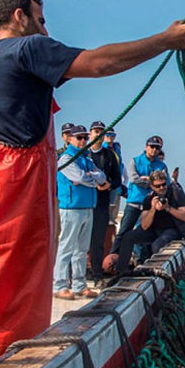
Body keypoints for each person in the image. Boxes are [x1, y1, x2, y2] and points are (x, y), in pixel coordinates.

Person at [0, 0, 185, 368]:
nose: (45, 29)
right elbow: (98, 64)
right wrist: (165, 41)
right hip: (12, 192)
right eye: (41, 19)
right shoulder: (27, 48)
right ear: (20, 17)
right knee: (11, 308)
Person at [54, 125, 108, 300]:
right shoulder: (66, 159)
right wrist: (91, 179)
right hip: (71, 208)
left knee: (82, 249)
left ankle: (79, 284)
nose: (83, 141)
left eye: (85, 138)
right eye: (79, 137)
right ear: (70, 139)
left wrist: (89, 178)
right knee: (66, 247)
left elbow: (102, 177)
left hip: (87, 207)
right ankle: (60, 285)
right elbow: (80, 178)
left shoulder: (87, 159)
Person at [115, 170, 185, 274]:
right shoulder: (149, 199)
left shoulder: (177, 193)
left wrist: (168, 208)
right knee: (128, 237)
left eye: (163, 185)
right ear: (152, 187)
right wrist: (152, 209)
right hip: (154, 229)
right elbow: (144, 226)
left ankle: (159, 273)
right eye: (158, 186)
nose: (161, 188)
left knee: (156, 246)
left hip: (172, 229)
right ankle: (121, 272)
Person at [109, 135, 168, 256]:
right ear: (146, 147)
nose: (154, 150)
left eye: (157, 148)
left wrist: (147, 180)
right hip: (134, 202)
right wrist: (152, 183)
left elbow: (163, 183)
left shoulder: (162, 166)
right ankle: (113, 257)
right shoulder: (135, 161)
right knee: (124, 231)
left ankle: (142, 260)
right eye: (152, 146)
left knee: (145, 233)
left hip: (150, 205)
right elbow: (135, 179)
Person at [86, 121, 120, 289]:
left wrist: (108, 185)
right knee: (79, 241)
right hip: (83, 204)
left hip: (101, 203)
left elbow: (117, 179)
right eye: (95, 131)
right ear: (90, 133)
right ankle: (74, 276)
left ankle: (98, 276)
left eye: (101, 131)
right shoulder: (83, 154)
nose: (98, 134)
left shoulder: (109, 155)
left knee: (98, 241)